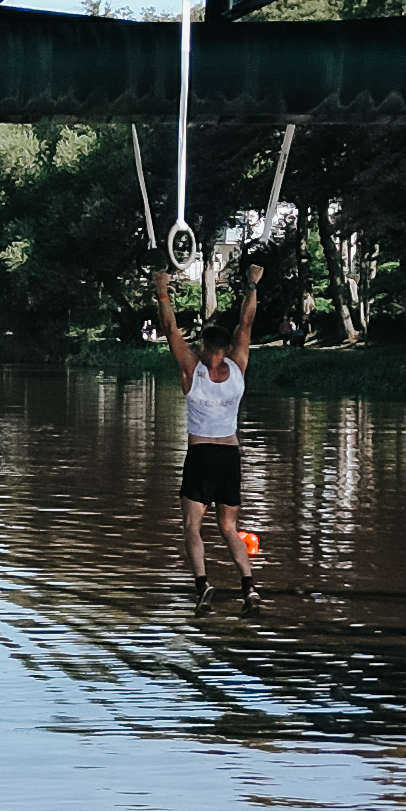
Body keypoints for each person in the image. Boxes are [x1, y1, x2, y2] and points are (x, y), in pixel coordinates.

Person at [157, 260, 264, 606]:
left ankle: (202, 584)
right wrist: (252, 284)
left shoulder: (193, 370)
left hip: (201, 455)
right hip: (230, 457)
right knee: (230, 528)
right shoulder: (238, 367)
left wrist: (162, 290)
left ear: (205, 348)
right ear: (227, 349)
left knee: (192, 526)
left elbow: (172, 329)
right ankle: (249, 585)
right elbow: (245, 324)